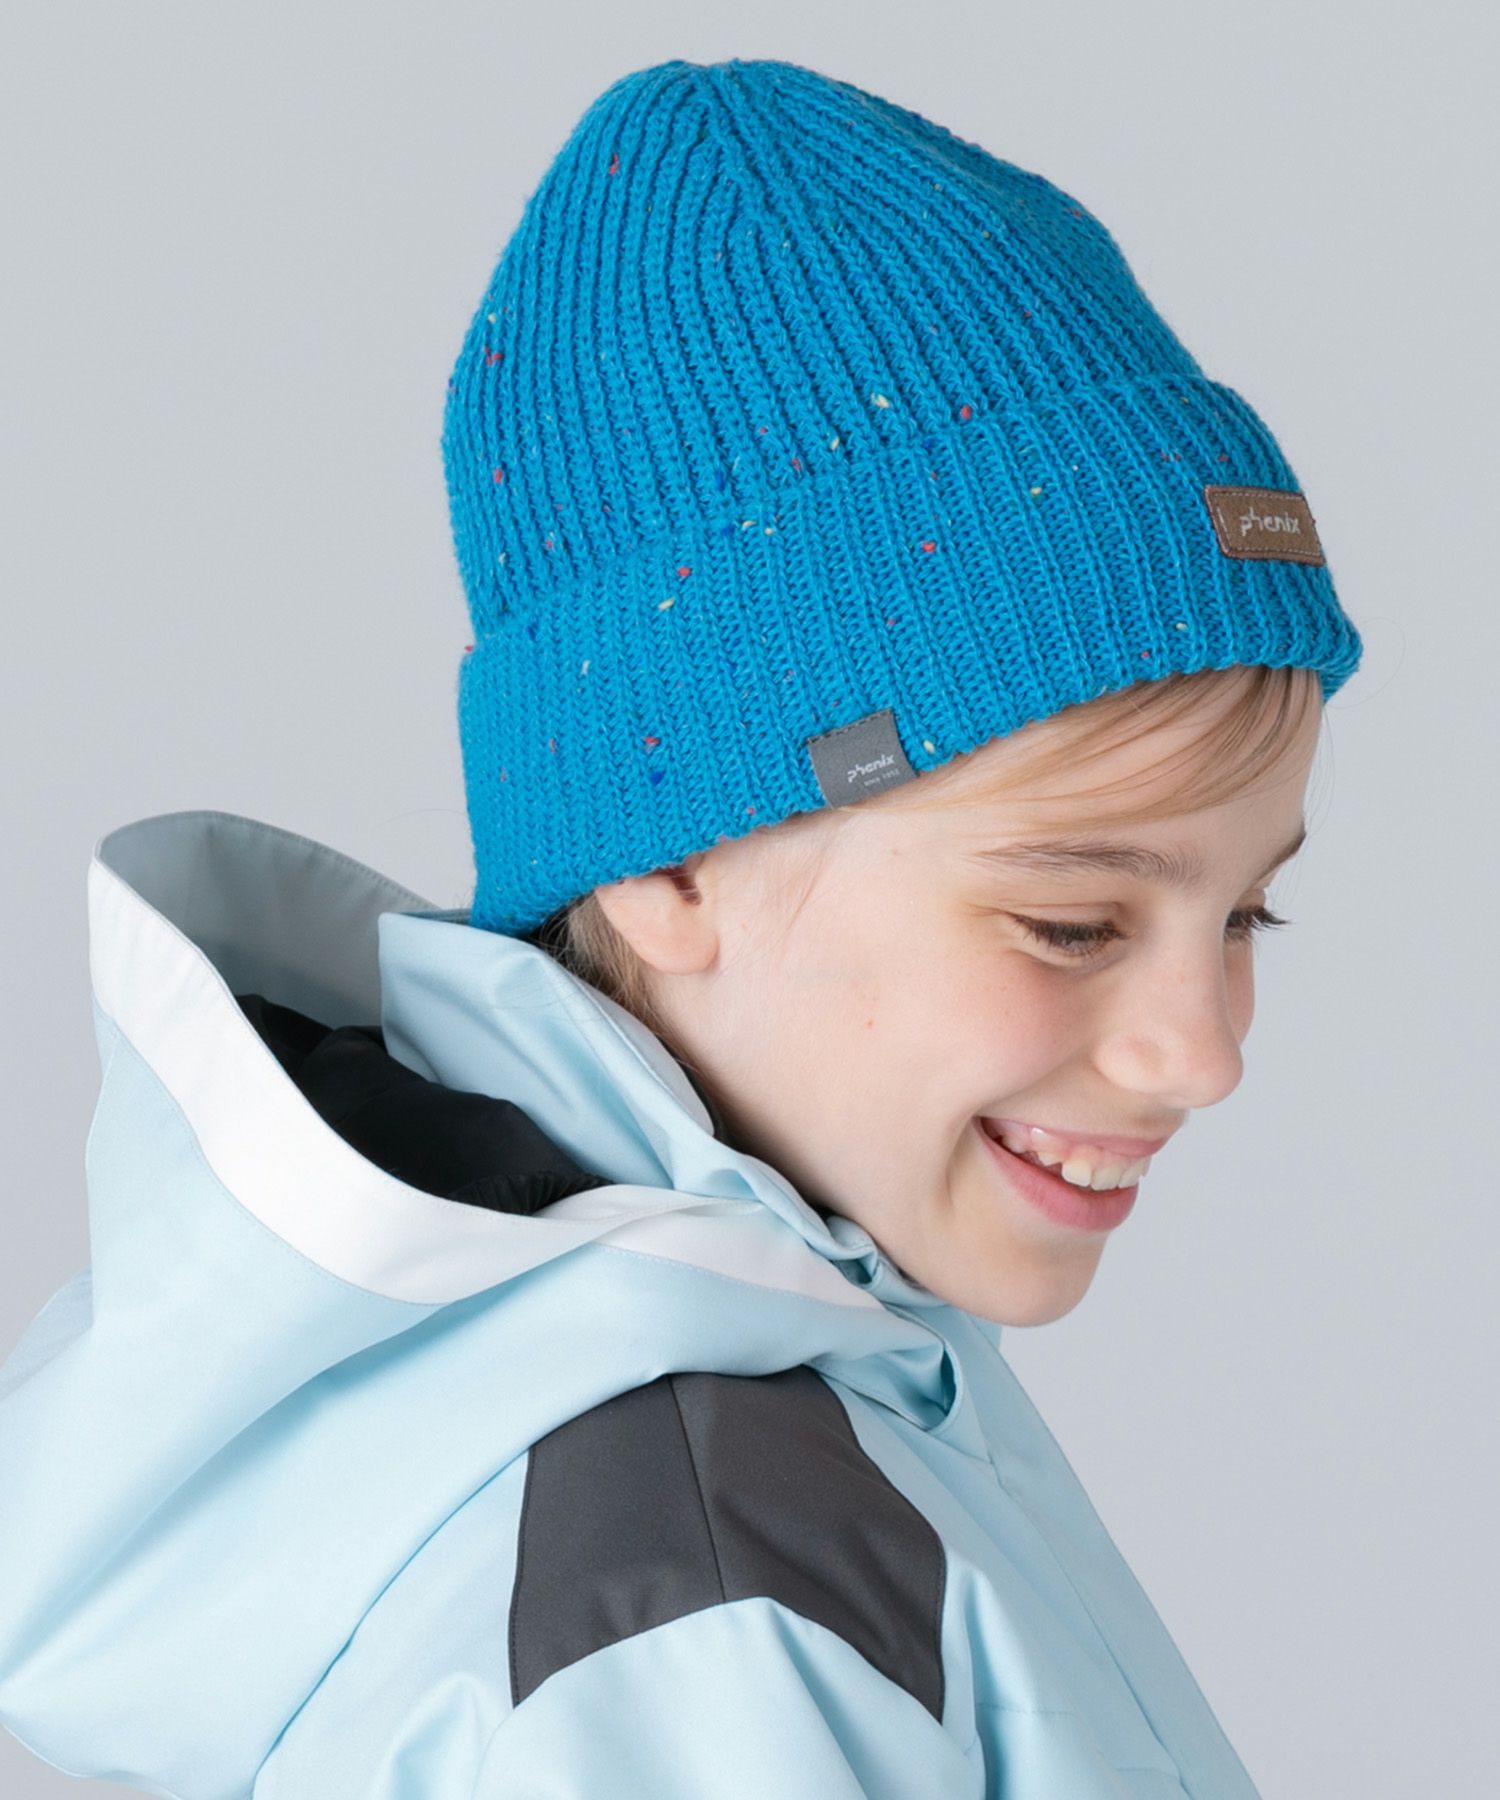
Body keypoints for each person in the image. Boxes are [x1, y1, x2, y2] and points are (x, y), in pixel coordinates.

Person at [0, 55, 1361, 1799]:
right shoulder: (709, 1612)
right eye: (1075, 924)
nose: (1205, 1052)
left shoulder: (804, 1380)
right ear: (676, 859)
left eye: (1248, 908)